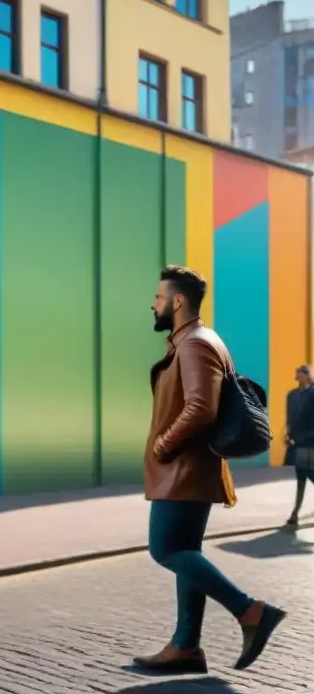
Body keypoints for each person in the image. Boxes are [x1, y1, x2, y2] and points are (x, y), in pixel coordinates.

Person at [133, 265, 286, 675]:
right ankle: (185, 647)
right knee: (187, 551)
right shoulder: (193, 340)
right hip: (190, 469)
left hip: (183, 469)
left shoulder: (196, 344)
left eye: (159, 297)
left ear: (177, 301)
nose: (154, 303)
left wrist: (163, 445)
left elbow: (201, 407)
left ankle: (250, 611)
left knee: (165, 549)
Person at [286, 364, 314, 526]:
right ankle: (295, 513)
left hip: (310, 442)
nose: (296, 376)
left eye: (299, 373)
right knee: (301, 476)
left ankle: (295, 514)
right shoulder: (292, 395)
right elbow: (289, 417)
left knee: (307, 474)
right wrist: (287, 433)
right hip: (297, 442)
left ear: (307, 375)